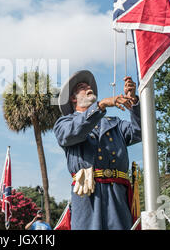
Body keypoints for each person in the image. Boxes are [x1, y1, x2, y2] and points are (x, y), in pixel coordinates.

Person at [53, 70, 141, 230]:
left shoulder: (115, 123)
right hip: (87, 194)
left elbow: (140, 132)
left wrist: (134, 102)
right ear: (73, 98)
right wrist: (100, 106)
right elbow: (72, 134)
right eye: (82, 86)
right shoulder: (64, 123)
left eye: (89, 85)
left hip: (117, 194)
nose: (88, 86)